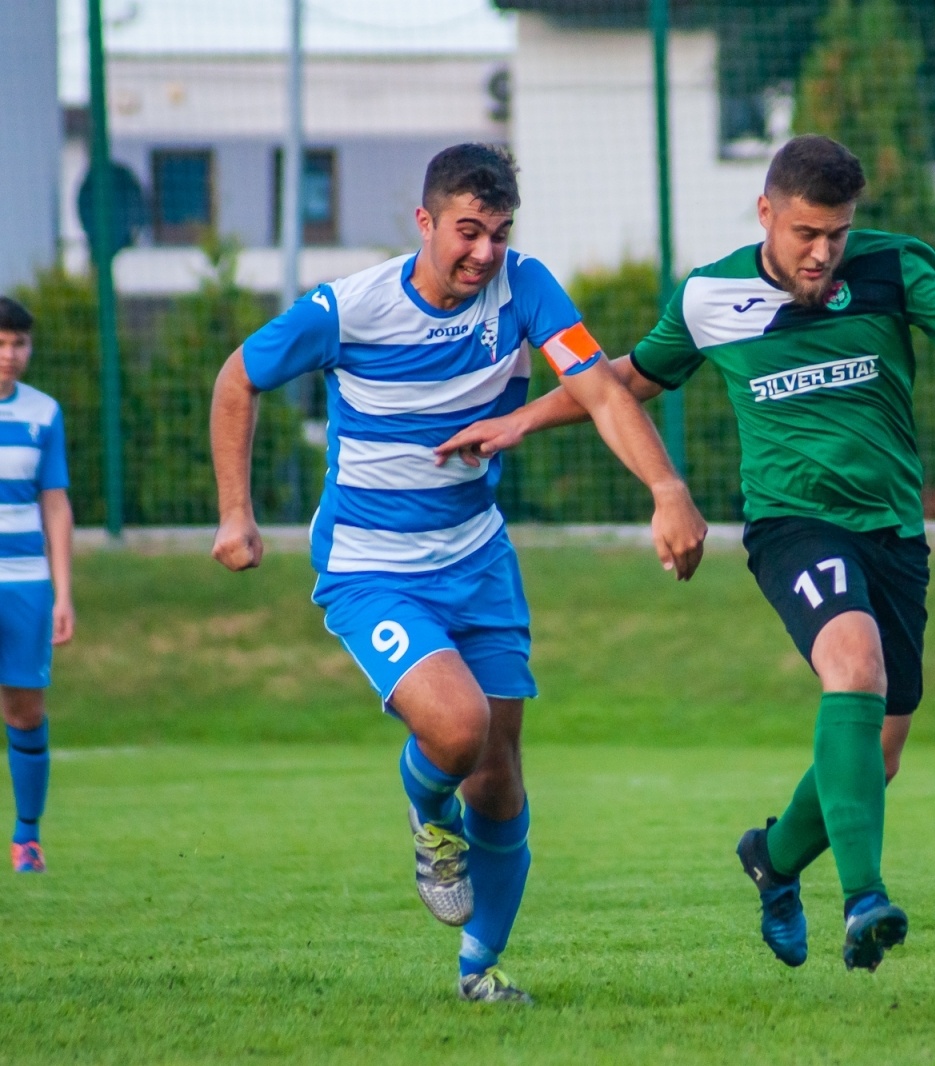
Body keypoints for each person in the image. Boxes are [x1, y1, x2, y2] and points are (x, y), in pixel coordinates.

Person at [434, 134, 935, 972]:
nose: (823, 253)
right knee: (854, 666)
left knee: (879, 751)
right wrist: (521, 419)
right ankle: (864, 898)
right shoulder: (710, 295)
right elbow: (627, 378)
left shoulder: (895, 267)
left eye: (837, 233)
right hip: (791, 525)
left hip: (894, 533)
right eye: (806, 232)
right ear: (766, 212)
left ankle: (771, 859)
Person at [209, 143, 707, 1002]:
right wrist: (235, 512)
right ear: (426, 223)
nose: (484, 252)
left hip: (479, 559)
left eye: (499, 233)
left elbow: (597, 388)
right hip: (374, 569)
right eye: (467, 232)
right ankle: (427, 818)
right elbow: (237, 378)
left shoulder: (526, 286)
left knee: (501, 771)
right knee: (456, 730)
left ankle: (479, 971)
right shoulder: (350, 308)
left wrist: (667, 488)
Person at [0, 297, 75, 874]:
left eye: (18, 344)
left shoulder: (43, 413)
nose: (9, 355)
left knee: (24, 708)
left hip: (26, 585)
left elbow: (55, 505)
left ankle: (28, 838)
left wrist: (63, 592)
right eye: (1, 344)